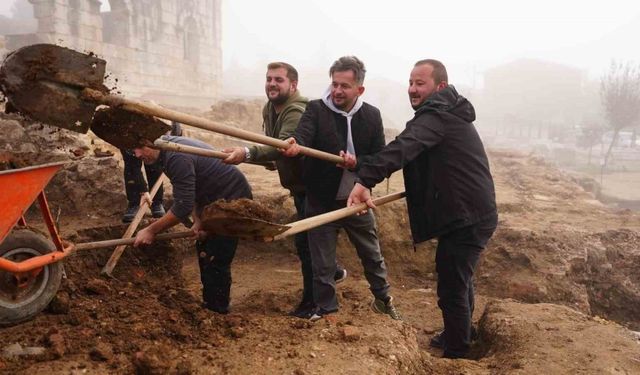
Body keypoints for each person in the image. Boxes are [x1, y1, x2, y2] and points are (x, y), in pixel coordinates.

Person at [346, 59, 498, 359]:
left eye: (420, 83)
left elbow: (405, 147)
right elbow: (407, 147)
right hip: (469, 212)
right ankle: (461, 332)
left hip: (466, 216)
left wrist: (365, 179)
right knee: (459, 276)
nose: (413, 89)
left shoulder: (437, 116)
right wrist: (362, 163)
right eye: (411, 83)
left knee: (452, 283)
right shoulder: (444, 113)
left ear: (440, 86)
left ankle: (458, 351)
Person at [222, 62, 347, 319]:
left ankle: (314, 302)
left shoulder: (297, 109)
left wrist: (246, 152)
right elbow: (275, 151)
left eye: (279, 80)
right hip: (300, 187)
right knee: (309, 242)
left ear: (293, 84)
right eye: (269, 79)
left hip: (316, 187)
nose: (272, 84)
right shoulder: (271, 107)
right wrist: (261, 158)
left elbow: (283, 143)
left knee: (307, 243)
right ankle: (331, 271)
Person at [282, 56, 401, 321]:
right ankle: (326, 310)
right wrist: (293, 144)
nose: (337, 91)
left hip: (357, 200)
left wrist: (358, 162)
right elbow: (302, 137)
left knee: (372, 255)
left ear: (359, 89)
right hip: (321, 198)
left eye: (344, 86)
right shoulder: (315, 110)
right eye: (334, 84)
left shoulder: (371, 116)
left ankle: (383, 300)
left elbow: (379, 157)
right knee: (322, 263)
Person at [132, 135, 252, 314]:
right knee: (205, 250)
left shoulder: (177, 157)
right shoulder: (168, 152)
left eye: (141, 147)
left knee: (217, 254)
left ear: (153, 142)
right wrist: (198, 219)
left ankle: (218, 310)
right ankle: (210, 304)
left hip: (232, 200)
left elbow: (182, 206)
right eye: (134, 150)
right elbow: (193, 189)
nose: (137, 154)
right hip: (211, 198)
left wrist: (151, 230)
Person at [121, 121, 182, 223]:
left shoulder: (167, 127)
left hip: (151, 131)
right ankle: (134, 203)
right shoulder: (125, 133)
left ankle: (156, 202)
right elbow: (132, 167)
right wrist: (143, 191)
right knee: (131, 166)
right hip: (128, 131)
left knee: (154, 164)